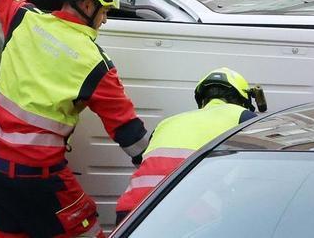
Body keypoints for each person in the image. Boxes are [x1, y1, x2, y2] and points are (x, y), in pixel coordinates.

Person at [0, 0, 148, 238]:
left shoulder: (24, 20)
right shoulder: (95, 63)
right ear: (87, 5)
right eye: (105, 11)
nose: (105, 20)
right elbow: (130, 135)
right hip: (41, 182)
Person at [114, 67, 267, 223]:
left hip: (130, 215)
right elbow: (259, 175)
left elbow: (147, 165)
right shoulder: (244, 118)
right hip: (186, 215)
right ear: (243, 99)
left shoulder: (166, 123)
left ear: (202, 99)